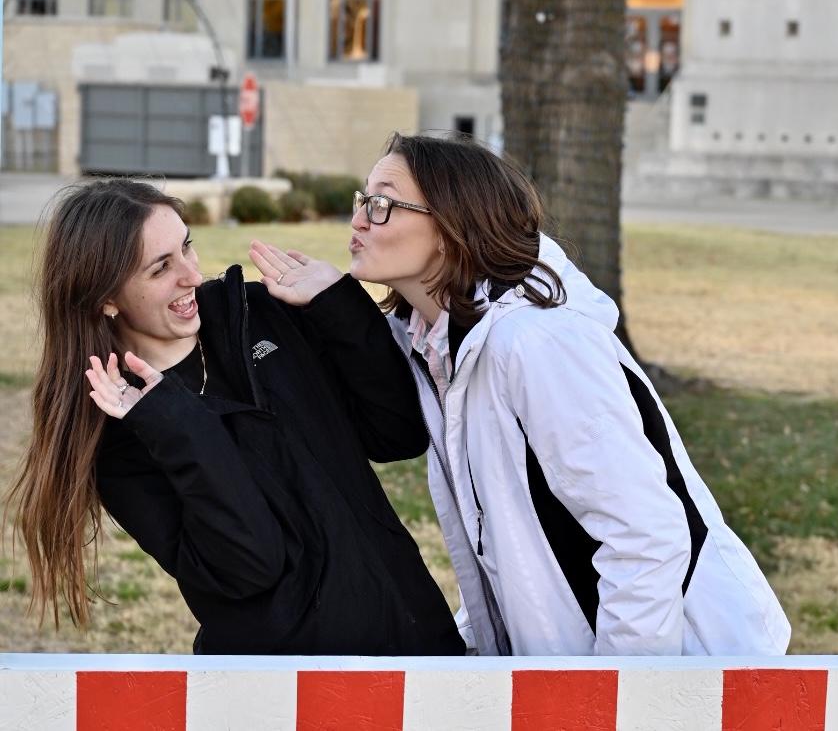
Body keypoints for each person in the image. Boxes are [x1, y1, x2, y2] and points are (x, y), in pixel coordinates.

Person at [347, 132, 791, 657]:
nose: (359, 220)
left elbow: (644, 538)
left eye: (383, 205)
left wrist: (617, 691)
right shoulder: (440, 349)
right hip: (572, 674)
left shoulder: (537, 343)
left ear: (450, 227)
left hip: (687, 668)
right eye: (362, 199)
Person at [6, 178, 463, 656]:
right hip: (284, 680)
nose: (190, 275)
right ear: (106, 298)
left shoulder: (258, 313)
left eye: (186, 247)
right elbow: (250, 564)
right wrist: (178, 424)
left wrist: (338, 304)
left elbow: (397, 433)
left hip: (415, 635)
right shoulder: (120, 433)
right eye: (161, 267)